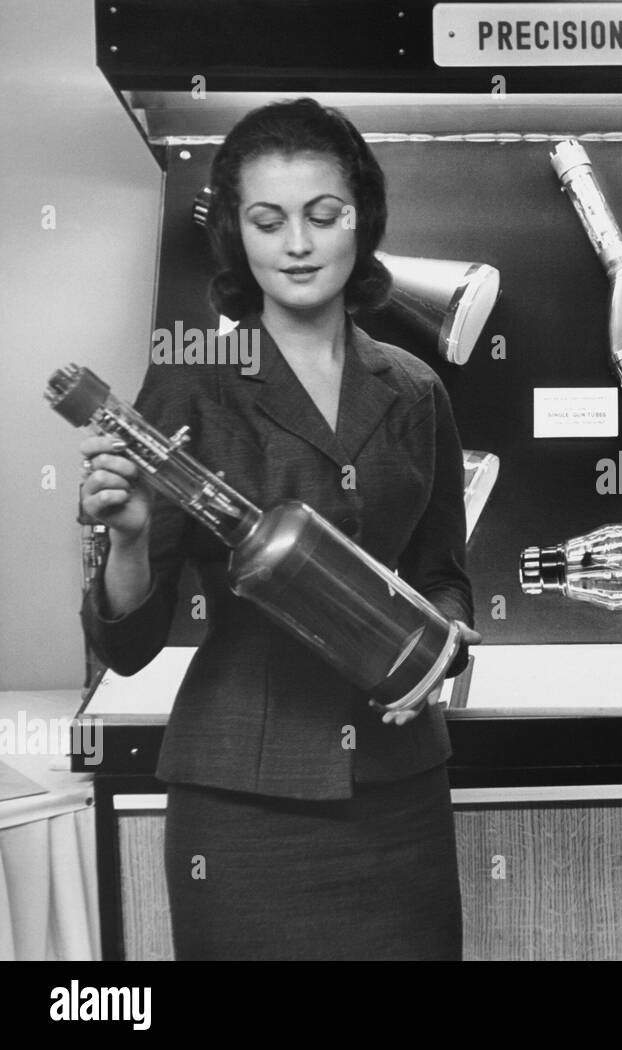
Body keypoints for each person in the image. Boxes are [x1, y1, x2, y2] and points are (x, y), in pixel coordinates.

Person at [78, 98, 479, 960]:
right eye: (269, 220)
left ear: (362, 220)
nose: (297, 244)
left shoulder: (415, 391)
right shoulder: (191, 381)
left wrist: (444, 644)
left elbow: (444, 572)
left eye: (322, 215)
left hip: (398, 797)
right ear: (237, 234)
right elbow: (129, 647)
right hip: (241, 805)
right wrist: (133, 539)